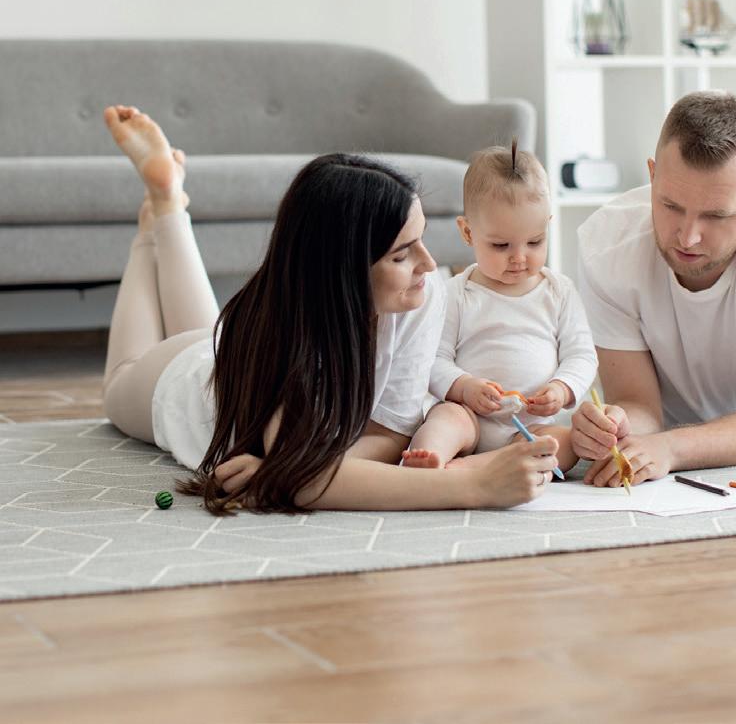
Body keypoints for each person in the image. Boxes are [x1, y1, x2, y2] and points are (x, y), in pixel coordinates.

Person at [100, 105, 558, 514]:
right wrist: (475, 486)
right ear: (344, 271)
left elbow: (388, 434)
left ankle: (168, 204)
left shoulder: (421, 293)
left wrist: (291, 471)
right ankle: (152, 224)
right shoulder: (293, 341)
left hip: (225, 358)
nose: (428, 264)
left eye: (421, 239)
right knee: (120, 378)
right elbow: (309, 481)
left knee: (211, 332)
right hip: (182, 384)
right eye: (401, 255)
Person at [571, 90, 736, 488]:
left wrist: (671, 449)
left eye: (715, 216)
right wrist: (618, 423)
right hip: (671, 417)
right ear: (652, 175)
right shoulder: (605, 245)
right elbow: (639, 405)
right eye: (671, 206)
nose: (688, 237)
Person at [404, 142, 598, 474]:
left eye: (535, 241)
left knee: (565, 444)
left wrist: (562, 389)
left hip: (533, 424)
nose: (519, 257)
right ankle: (429, 460)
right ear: (468, 232)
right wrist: (464, 386)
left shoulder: (559, 292)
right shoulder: (456, 294)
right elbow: (432, 359)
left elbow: (582, 355)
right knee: (445, 419)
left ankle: (475, 468)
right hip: (471, 417)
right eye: (500, 245)